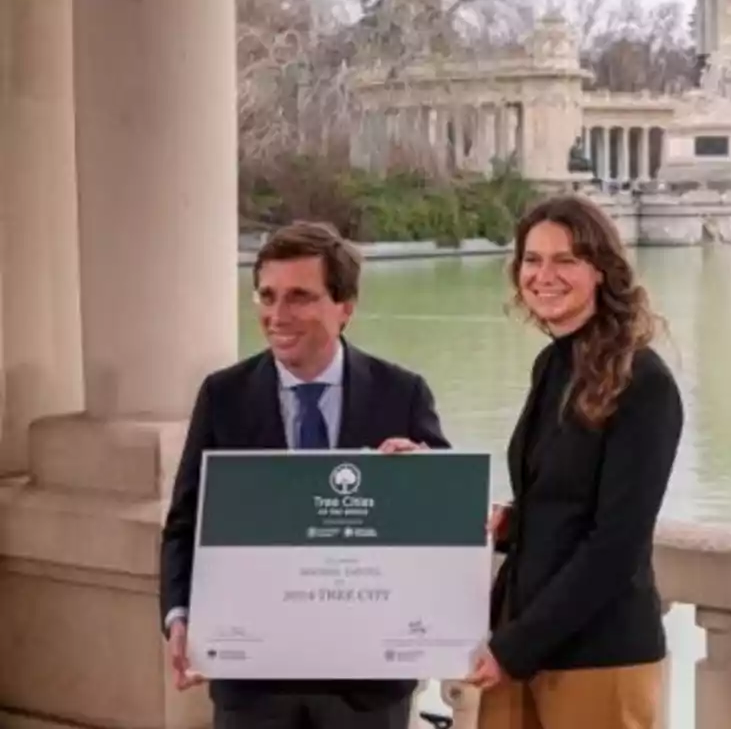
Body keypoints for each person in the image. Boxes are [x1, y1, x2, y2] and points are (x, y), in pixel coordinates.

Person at [159, 221, 449, 729]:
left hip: (367, 682)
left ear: (345, 306)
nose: (277, 315)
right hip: (252, 683)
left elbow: (446, 527)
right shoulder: (222, 396)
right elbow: (185, 523)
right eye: (267, 296)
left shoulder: (401, 393)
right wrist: (178, 615)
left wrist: (423, 483)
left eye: (299, 297)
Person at [465, 195, 684, 729]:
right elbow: (564, 496)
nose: (544, 275)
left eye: (565, 260)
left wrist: (513, 647)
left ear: (601, 271)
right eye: (532, 260)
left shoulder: (644, 382)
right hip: (525, 644)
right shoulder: (552, 363)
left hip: (598, 656)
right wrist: (512, 522)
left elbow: (616, 546)